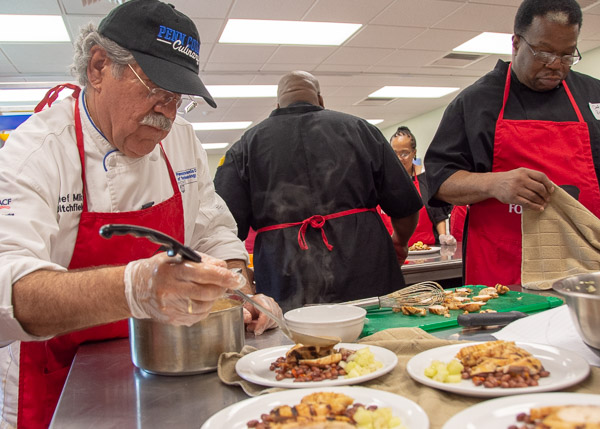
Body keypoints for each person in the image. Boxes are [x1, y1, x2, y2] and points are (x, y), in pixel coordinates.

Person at [0, 1, 281, 427]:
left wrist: (235, 289)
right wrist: (134, 288)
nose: (167, 114)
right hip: (60, 387)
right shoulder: (35, 152)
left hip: (172, 374)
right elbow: (7, 287)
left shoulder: (182, 141)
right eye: (155, 89)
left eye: (178, 98)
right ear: (98, 68)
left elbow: (214, 232)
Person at [424, 0, 600, 287]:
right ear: (516, 42)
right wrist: (494, 184)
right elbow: (439, 181)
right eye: (544, 52)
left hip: (582, 265)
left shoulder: (593, 94)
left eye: (567, 55)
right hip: (504, 267)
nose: (555, 64)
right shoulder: (475, 103)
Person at [214, 70, 422, 311]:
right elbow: (405, 204)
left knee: (298, 344)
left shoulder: (244, 148)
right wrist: (400, 242)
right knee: (381, 338)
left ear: (278, 104)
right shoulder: (361, 130)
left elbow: (224, 228)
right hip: (366, 268)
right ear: (321, 101)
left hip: (285, 278)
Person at [379, 126, 455, 246]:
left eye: (404, 153)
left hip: (428, 249)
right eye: (394, 154)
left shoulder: (426, 181)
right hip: (393, 250)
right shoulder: (381, 184)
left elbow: (438, 215)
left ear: (414, 153)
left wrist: (442, 236)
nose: (399, 159)